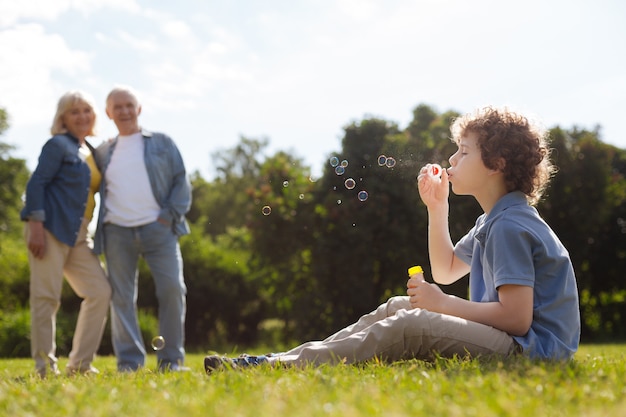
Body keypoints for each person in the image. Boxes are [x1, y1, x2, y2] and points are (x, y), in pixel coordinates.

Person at [204, 106, 581, 373]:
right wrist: (436, 209)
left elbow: (516, 319)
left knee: (410, 324)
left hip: (531, 353)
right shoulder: (494, 220)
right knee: (399, 306)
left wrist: (443, 304)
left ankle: (278, 365)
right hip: (517, 342)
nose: (451, 159)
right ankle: (284, 360)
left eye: (463, 152)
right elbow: (447, 269)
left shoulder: (510, 226)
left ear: (497, 165)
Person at [93, 85, 192, 372]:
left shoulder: (162, 142)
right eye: (117, 107)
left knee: (173, 289)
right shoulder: (102, 152)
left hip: (158, 229)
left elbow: (180, 181)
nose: (124, 111)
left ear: (139, 109)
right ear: (108, 113)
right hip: (116, 232)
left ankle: (171, 361)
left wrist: (167, 217)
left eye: (129, 105)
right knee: (121, 298)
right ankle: (129, 363)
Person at [21, 90, 112, 377]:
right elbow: (36, 185)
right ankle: (44, 368)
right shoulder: (57, 146)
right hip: (49, 228)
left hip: (80, 233)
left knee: (100, 292)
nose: (82, 116)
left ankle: (80, 365)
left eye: (87, 110)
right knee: (46, 298)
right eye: (74, 112)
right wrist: (36, 226)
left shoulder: (93, 151)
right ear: (63, 118)